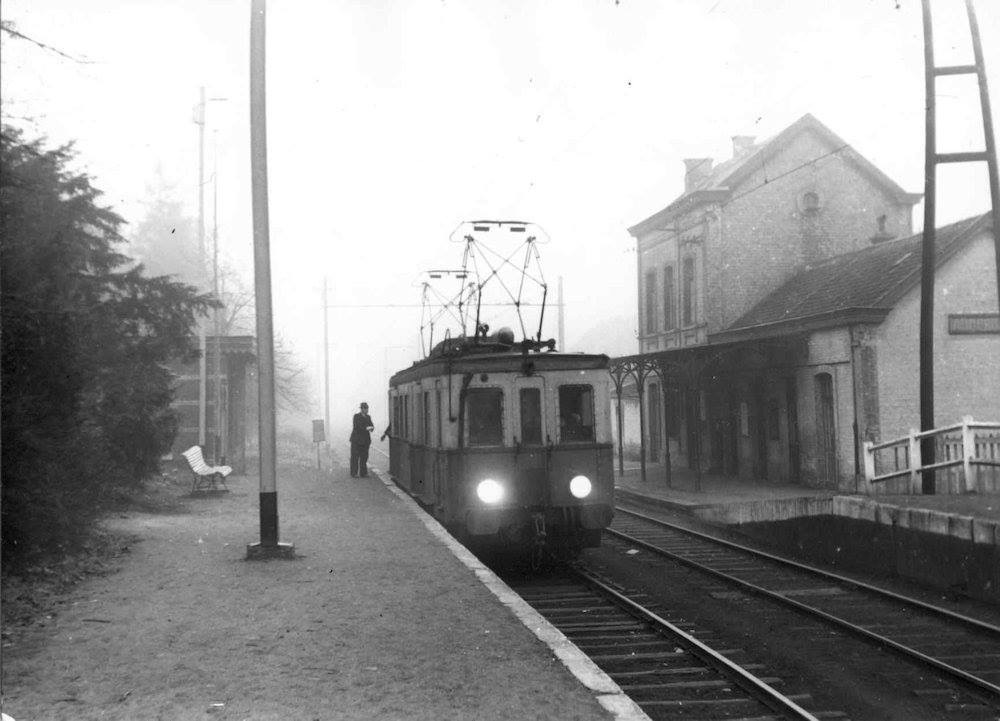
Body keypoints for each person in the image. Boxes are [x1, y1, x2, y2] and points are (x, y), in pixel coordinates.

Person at [349, 402, 375, 477]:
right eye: (366, 408)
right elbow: (357, 427)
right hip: (356, 440)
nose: (367, 410)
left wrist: (370, 428)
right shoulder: (356, 416)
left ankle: (363, 473)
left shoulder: (368, 417)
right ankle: (354, 473)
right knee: (355, 457)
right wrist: (367, 428)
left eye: (367, 408)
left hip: (365, 441)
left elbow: (372, 426)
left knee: (364, 457)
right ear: (362, 409)